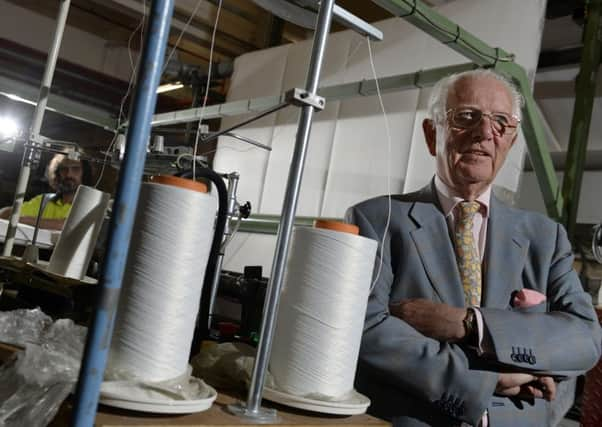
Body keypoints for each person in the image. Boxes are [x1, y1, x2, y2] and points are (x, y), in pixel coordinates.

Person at [346, 69, 601, 427]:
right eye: (467, 116)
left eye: (501, 123)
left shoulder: (546, 237)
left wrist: (471, 325)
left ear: (510, 142)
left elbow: (585, 338)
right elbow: (365, 328)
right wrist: (487, 380)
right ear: (432, 134)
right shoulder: (378, 219)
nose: (485, 133)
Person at [0, 153, 91, 230]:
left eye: (76, 169)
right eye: (64, 169)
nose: (69, 174)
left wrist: (23, 219)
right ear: (57, 174)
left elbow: (67, 225)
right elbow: (10, 211)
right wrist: (7, 213)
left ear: (85, 173)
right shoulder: (45, 200)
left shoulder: (89, 204)